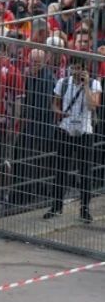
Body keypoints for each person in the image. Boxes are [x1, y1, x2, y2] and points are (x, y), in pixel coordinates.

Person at [45, 57, 101, 223]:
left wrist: (85, 86)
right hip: (66, 129)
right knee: (61, 169)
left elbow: (93, 105)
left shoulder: (94, 84)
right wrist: (59, 112)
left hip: (85, 131)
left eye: (79, 69)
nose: (75, 72)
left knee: (85, 172)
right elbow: (54, 104)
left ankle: (84, 208)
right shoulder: (63, 83)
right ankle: (57, 206)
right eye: (73, 68)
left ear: (85, 69)